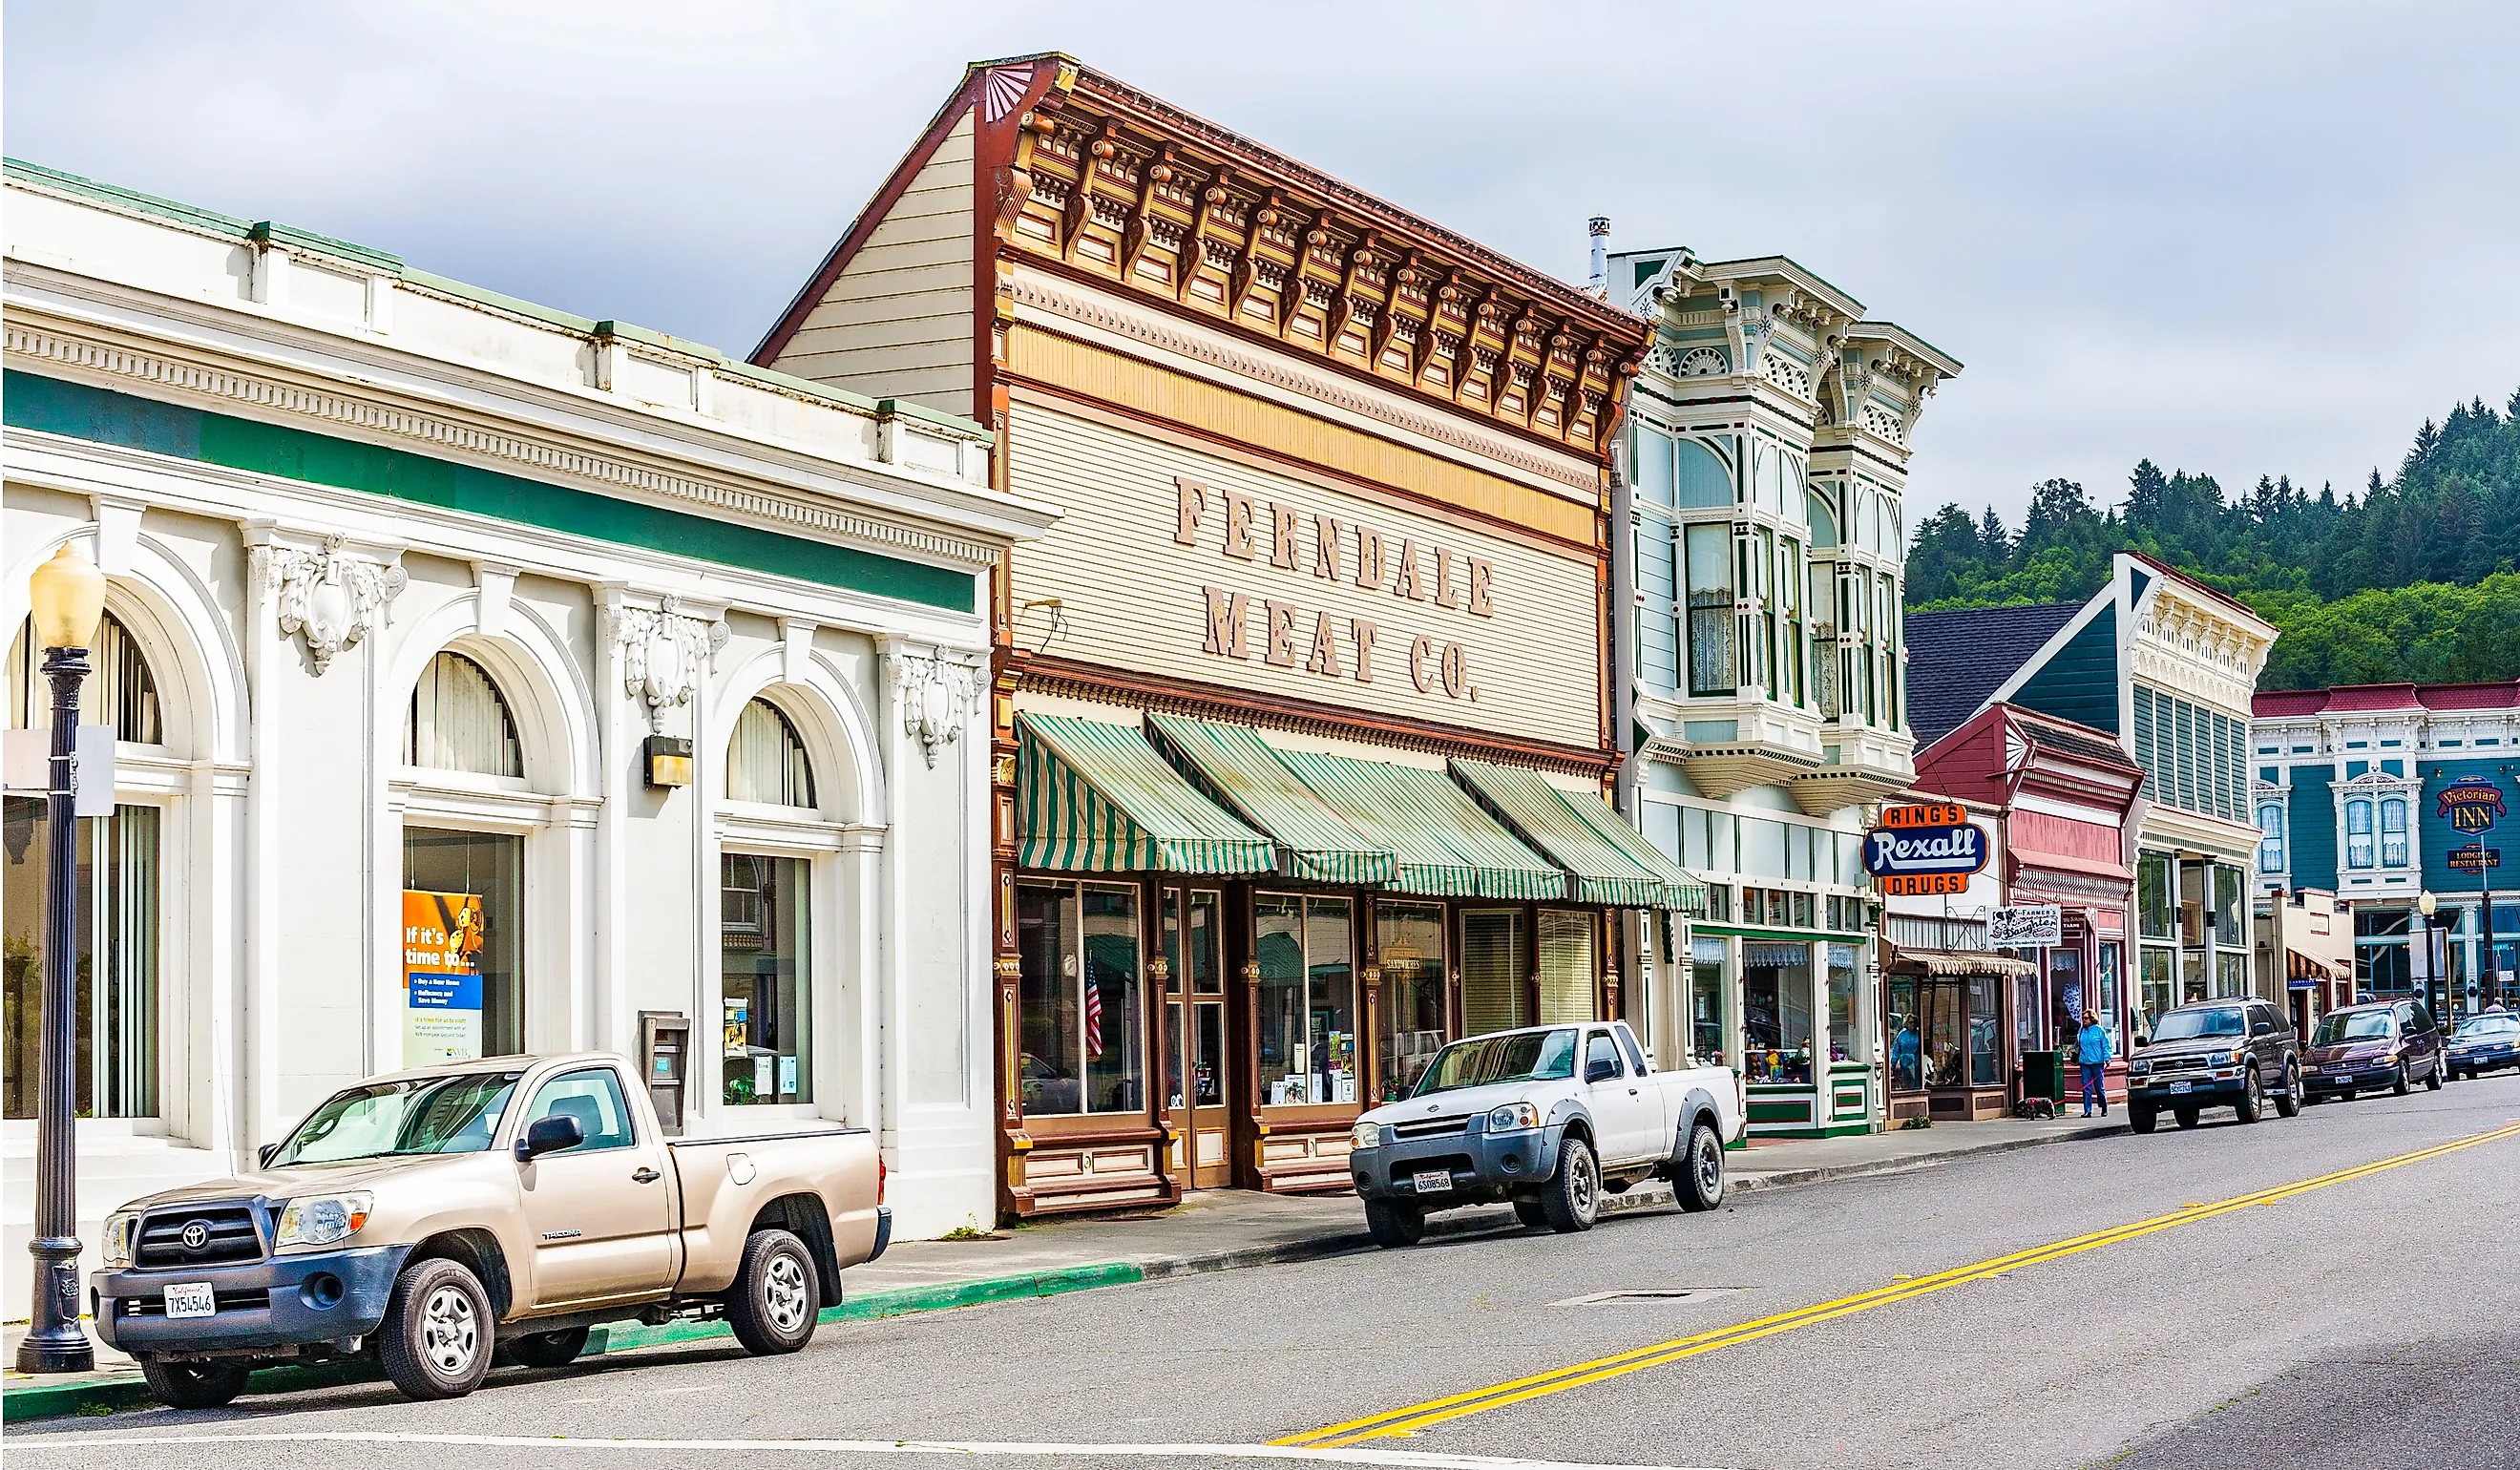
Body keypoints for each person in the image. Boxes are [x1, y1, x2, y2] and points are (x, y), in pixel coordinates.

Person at [2075, 1010, 2113, 1117]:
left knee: (2099, 1087)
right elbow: (2078, 1045)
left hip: (2097, 1062)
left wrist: (2107, 1058)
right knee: (2086, 1087)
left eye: (2086, 1018)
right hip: (2084, 1063)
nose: (2084, 1020)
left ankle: (2103, 1106)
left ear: (2092, 1019)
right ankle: (2087, 1110)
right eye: (2083, 1018)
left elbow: (2106, 1045)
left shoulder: (2099, 1030)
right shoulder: (2081, 1030)